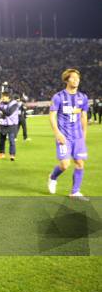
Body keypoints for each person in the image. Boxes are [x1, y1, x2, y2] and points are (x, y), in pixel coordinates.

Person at [47, 69, 89, 200]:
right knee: (65, 164)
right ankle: (53, 177)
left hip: (78, 136)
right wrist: (57, 133)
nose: (76, 80)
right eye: (73, 77)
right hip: (64, 136)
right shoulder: (58, 97)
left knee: (80, 163)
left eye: (78, 77)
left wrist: (84, 135)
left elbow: (84, 117)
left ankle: (75, 192)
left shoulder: (83, 97)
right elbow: (52, 116)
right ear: (66, 80)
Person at [0, 91, 19, 161]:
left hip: (12, 125)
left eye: (3, 97)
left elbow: (9, 113)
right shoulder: (2, 103)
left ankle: (12, 155)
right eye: (2, 97)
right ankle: (1, 153)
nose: (2, 98)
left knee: (11, 140)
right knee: (2, 140)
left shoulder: (14, 104)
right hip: (3, 124)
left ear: (8, 97)